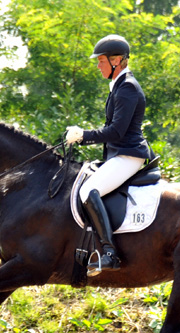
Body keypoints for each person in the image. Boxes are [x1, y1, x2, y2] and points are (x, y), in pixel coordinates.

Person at [65, 34, 153, 275]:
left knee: (87, 191)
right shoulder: (119, 86)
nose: (97, 65)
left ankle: (109, 253)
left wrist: (83, 135)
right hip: (120, 154)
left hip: (128, 155)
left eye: (101, 61)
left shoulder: (127, 88)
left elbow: (116, 131)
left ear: (116, 61)